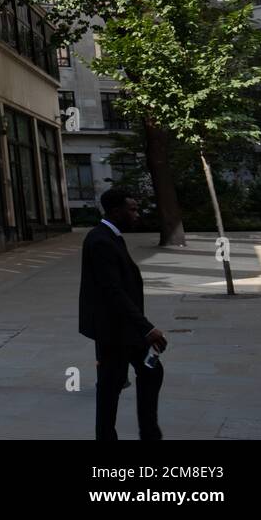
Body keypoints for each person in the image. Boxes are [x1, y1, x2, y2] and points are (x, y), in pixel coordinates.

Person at [79, 187, 167, 440]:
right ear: (116, 211)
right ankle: (117, 435)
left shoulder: (110, 236)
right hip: (114, 331)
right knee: (111, 385)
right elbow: (113, 292)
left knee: (147, 372)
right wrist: (147, 328)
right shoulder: (101, 241)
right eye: (132, 209)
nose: (136, 214)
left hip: (124, 328)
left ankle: (148, 432)